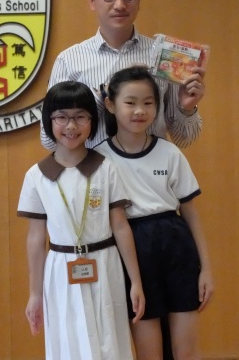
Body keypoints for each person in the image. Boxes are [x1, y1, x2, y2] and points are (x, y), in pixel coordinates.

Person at [18, 80, 145, 360]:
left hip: (105, 263)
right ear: (49, 120)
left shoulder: (106, 168)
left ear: (92, 120)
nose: (71, 126)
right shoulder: (36, 176)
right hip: (60, 269)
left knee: (110, 341)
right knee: (68, 342)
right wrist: (34, 294)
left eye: (80, 117)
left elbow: (120, 225)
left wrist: (135, 281)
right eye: (62, 117)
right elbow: (36, 238)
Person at [94, 66, 214, 360]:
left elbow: (190, 213)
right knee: (149, 353)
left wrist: (206, 269)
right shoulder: (100, 159)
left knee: (185, 351)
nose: (140, 111)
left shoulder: (170, 152)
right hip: (132, 250)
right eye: (130, 102)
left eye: (148, 103)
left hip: (176, 245)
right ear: (110, 105)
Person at [41, 0, 206, 151]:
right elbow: (49, 141)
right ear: (92, 0)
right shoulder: (69, 60)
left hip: (151, 168)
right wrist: (102, 97)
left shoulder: (163, 57)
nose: (120, 4)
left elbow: (184, 139)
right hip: (93, 169)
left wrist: (186, 107)